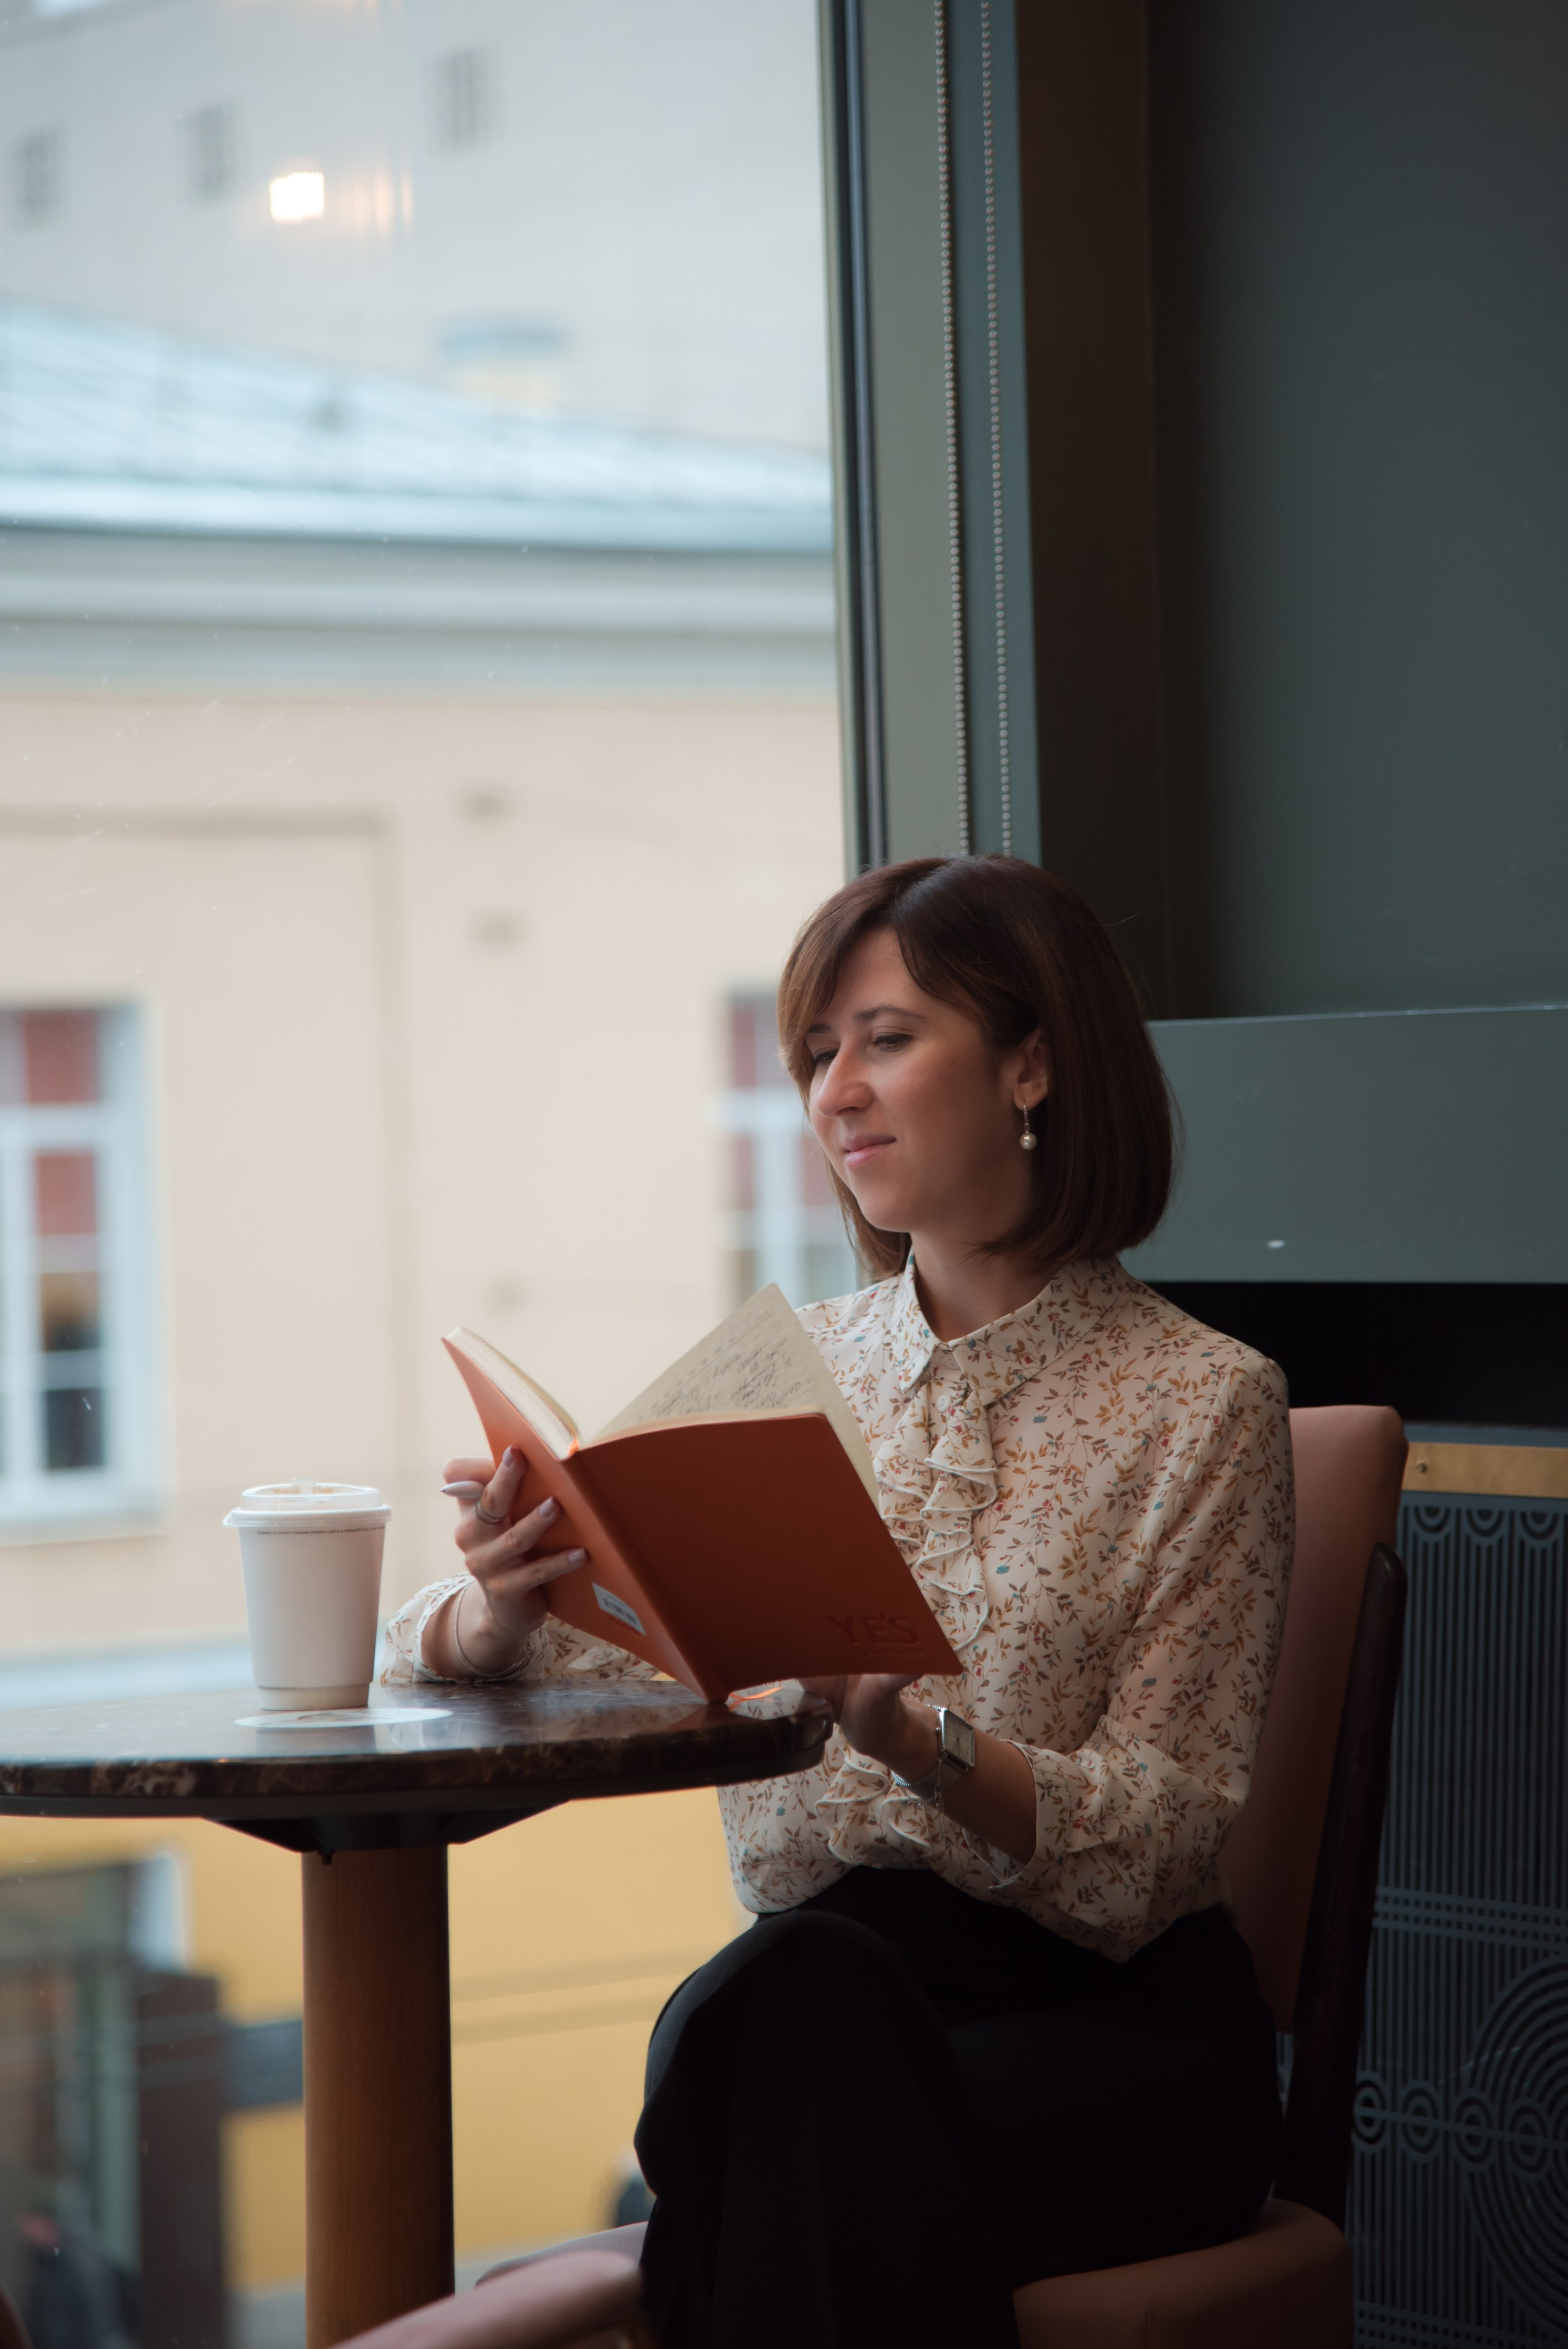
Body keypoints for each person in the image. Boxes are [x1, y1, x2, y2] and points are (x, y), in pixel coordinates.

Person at [385, 855, 1293, 2349]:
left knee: (764, 2113)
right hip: (827, 1993)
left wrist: (907, 1734)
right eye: (815, 1053)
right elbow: (491, 1654)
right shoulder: (784, 1378)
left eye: (884, 1037)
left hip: (1102, 2029)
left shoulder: (1200, 1402)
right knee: (781, 2022)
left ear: (1030, 1060)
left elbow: (1153, 1844)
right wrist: (490, 1614)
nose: (834, 1092)